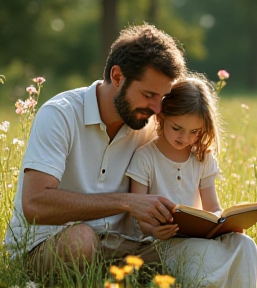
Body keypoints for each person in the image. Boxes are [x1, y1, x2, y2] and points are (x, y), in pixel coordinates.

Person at [5, 23, 187, 279]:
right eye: (148, 94)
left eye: (162, 97)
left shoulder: (146, 126)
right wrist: (125, 202)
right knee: (81, 241)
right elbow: (34, 204)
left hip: (124, 247)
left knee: (189, 253)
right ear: (117, 77)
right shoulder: (60, 114)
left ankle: (113, 278)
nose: (157, 108)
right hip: (52, 244)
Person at [126, 76, 257, 287]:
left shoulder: (202, 158)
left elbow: (212, 207)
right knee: (200, 254)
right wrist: (153, 230)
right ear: (161, 117)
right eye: (177, 128)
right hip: (162, 242)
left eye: (194, 132)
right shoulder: (145, 157)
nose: (185, 138)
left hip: (199, 238)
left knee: (245, 244)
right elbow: (138, 215)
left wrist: (223, 225)